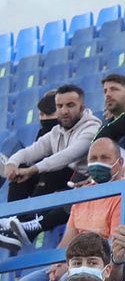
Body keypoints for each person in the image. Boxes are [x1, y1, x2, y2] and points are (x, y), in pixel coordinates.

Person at [13, 136, 125, 281]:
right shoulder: (82, 194)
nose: (98, 163)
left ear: (119, 163)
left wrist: (71, 267)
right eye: (93, 159)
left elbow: (111, 247)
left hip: (98, 264)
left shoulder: (123, 195)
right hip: (73, 262)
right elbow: (68, 239)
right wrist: (57, 266)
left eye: (105, 158)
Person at [1, 83, 101, 241]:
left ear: (82, 108)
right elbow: (30, 151)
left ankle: (28, 223)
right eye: (60, 106)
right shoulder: (56, 132)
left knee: (51, 170)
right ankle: (15, 223)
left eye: (70, 105)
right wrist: (12, 164)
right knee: (21, 170)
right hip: (65, 182)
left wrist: (33, 170)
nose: (64, 111)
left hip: (85, 182)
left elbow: (67, 156)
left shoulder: (93, 128)